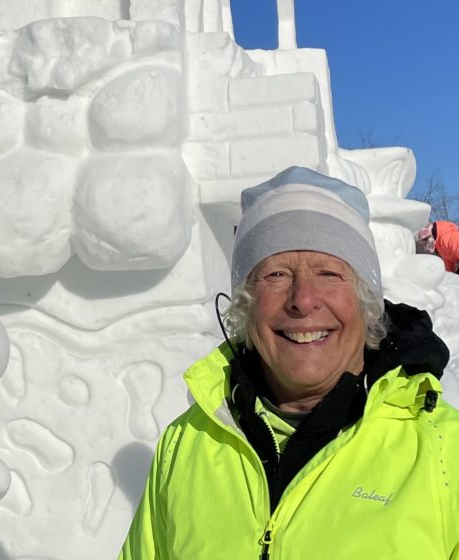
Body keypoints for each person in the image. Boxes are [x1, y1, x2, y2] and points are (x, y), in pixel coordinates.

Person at [119, 166, 459, 560]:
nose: (303, 299)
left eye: (330, 273)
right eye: (275, 274)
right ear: (244, 305)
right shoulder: (185, 445)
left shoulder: (444, 455)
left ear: (366, 303)